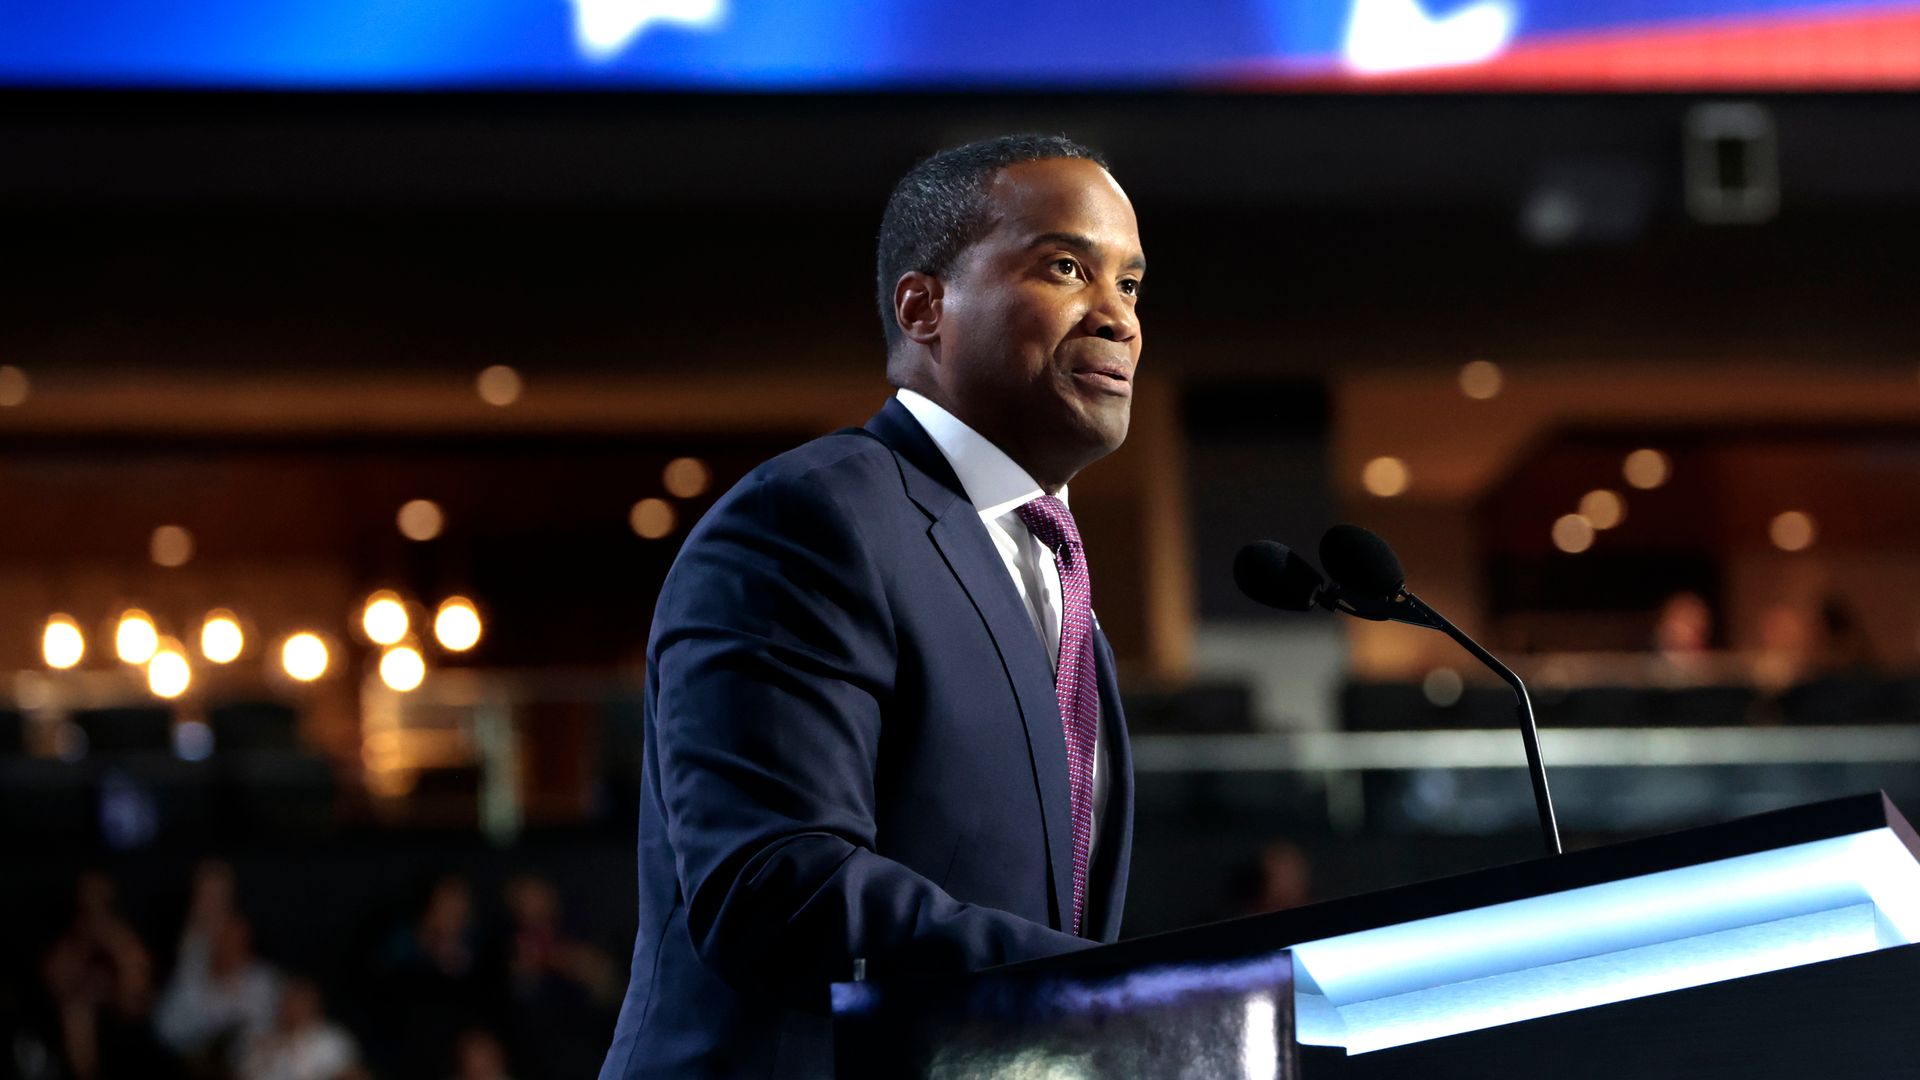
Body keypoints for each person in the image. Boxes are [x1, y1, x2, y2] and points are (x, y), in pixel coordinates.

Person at [600, 133, 1144, 1078]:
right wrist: (1105, 990)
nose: (1119, 318)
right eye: (1067, 267)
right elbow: (775, 884)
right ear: (924, 306)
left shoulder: (1054, 566)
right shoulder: (809, 519)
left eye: (1130, 284)